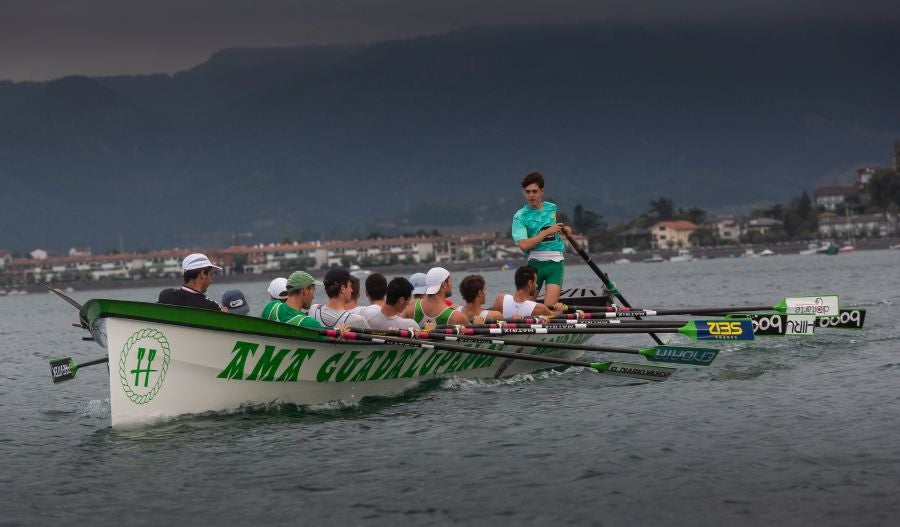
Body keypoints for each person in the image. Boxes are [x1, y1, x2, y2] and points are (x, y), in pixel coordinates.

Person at [511, 171, 572, 307]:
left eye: (534, 191)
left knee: (549, 309)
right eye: (527, 192)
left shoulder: (552, 208)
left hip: (555, 263)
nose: (531, 195)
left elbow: (552, 231)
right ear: (524, 193)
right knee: (526, 308)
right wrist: (546, 232)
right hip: (534, 266)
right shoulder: (520, 216)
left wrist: (565, 230)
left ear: (542, 191)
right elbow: (524, 245)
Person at [402, 266, 468, 327]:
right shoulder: (457, 317)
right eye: (451, 281)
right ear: (444, 284)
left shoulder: (409, 308)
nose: (451, 285)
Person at [491, 265, 564, 318]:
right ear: (530, 283)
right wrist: (559, 310)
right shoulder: (539, 308)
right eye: (536, 282)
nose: (536, 286)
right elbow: (555, 317)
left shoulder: (500, 300)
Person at [157, 253, 223, 311]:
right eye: (210, 274)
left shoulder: (166, 296)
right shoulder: (211, 307)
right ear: (202, 274)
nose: (211, 281)